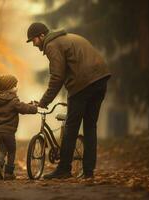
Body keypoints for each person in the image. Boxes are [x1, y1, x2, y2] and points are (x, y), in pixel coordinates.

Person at [26, 22, 111, 179]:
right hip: (101, 79)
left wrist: (43, 102)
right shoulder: (69, 38)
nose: (33, 44)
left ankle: (64, 169)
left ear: (42, 36)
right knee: (90, 126)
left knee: (71, 127)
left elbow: (57, 77)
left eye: (33, 40)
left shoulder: (52, 45)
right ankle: (88, 171)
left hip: (83, 84)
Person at [0, 74, 37, 180]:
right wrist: (34, 109)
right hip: (9, 131)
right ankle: (9, 173)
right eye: (15, 85)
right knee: (12, 151)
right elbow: (23, 108)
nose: (16, 87)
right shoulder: (13, 100)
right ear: (11, 88)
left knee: (2, 150)